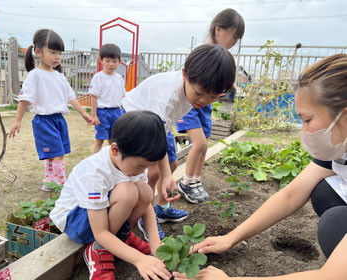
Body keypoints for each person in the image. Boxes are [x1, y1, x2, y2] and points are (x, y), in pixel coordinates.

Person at [173, 54, 347, 279]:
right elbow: (291, 195)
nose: (303, 131)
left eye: (307, 119)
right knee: (325, 191)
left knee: (334, 224)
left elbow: (330, 276)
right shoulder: (340, 146)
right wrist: (231, 237)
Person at [122, 44, 236, 240]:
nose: (203, 101)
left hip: (158, 122)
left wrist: (168, 174)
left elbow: (163, 128)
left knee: (172, 163)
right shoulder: (165, 98)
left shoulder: (192, 91)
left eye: (212, 97)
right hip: (135, 118)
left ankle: (162, 207)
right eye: (199, 93)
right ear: (185, 75)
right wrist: (165, 175)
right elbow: (155, 137)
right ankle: (145, 214)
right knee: (152, 171)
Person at [50, 111, 171, 280]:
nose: (143, 171)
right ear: (115, 150)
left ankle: (120, 238)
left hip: (102, 214)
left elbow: (147, 206)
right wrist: (139, 259)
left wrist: (156, 246)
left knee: (145, 191)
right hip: (75, 220)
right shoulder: (96, 171)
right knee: (128, 192)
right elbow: (100, 232)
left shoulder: (133, 162)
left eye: (147, 167)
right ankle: (98, 249)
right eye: (140, 167)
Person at [9, 29, 94, 191]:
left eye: (59, 53)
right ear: (38, 52)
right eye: (53, 52)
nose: (57, 57)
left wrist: (83, 113)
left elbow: (71, 97)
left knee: (53, 152)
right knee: (57, 152)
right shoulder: (35, 75)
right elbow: (24, 99)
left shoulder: (60, 76)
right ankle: (62, 183)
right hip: (44, 121)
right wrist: (17, 120)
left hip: (59, 120)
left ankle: (49, 180)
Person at [177, 8, 245, 203]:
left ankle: (196, 181)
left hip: (204, 106)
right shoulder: (202, 54)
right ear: (218, 30)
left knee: (205, 144)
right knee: (200, 143)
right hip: (190, 104)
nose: (234, 43)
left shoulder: (223, 59)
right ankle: (186, 182)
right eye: (233, 37)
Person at [89, 43, 125, 153]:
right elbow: (94, 97)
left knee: (114, 140)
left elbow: (122, 96)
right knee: (99, 140)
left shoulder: (119, 78)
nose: (111, 64)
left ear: (119, 61)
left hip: (116, 112)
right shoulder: (98, 77)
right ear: (101, 60)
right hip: (102, 113)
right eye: (107, 61)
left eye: (114, 61)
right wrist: (94, 115)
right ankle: (94, 162)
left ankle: (113, 162)